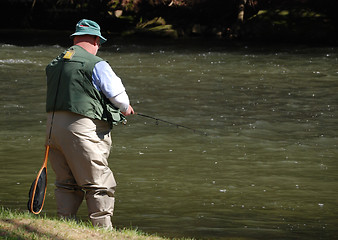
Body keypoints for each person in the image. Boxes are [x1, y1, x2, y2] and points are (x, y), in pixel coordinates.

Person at [45, 19, 134, 229]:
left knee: (66, 182)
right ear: (96, 40)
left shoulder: (55, 64)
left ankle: (65, 225)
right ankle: (103, 230)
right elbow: (119, 98)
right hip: (81, 129)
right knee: (99, 182)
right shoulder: (97, 64)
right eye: (99, 42)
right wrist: (126, 108)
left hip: (52, 128)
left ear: (75, 39)